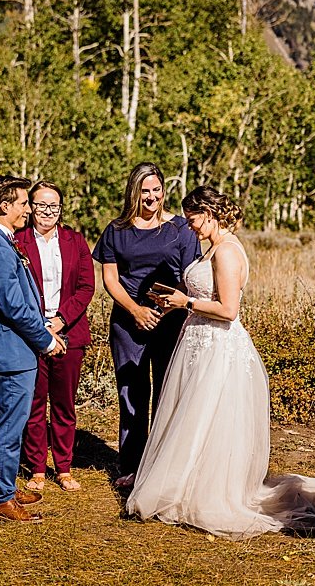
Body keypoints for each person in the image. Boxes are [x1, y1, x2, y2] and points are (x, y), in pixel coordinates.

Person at [127, 186, 315, 537]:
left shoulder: (228, 252)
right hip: (197, 342)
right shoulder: (213, 249)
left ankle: (207, 491)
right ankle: (184, 482)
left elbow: (228, 310)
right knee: (191, 417)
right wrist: (176, 299)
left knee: (208, 416)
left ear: (208, 213)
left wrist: (185, 303)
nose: (190, 226)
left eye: (192, 220)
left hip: (218, 346)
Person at [93, 162, 200, 490]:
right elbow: (110, 277)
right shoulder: (116, 230)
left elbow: (190, 277)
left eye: (156, 190)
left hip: (171, 322)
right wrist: (136, 310)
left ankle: (165, 468)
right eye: (145, 191)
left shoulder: (182, 229)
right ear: (134, 192)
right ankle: (133, 466)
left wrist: (167, 308)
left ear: (164, 191)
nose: (151, 197)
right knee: (132, 394)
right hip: (128, 324)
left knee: (169, 393)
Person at [0, 175, 66, 522]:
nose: (30, 209)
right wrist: (44, 340)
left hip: (18, 348)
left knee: (16, 420)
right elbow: (12, 306)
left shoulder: (3, 241)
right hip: (12, 351)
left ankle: (7, 489)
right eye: (24, 203)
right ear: (5, 206)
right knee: (10, 426)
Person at [14, 180, 94, 493]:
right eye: (41, 205)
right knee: (34, 404)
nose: (47, 212)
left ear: (60, 209)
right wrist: (39, 328)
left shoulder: (75, 241)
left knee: (64, 404)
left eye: (54, 206)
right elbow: (14, 291)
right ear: (30, 208)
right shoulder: (17, 241)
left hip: (69, 333)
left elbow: (87, 287)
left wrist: (59, 321)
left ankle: (63, 467)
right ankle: (35, 468)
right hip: (30, 335)